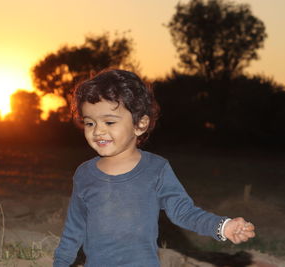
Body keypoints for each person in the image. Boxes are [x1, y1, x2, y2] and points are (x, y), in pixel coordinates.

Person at [53, 69, 255, 266]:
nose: (98, 131)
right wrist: (60, 263)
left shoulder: (156, 170)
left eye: (109, 121)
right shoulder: (85, 174)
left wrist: (223, 226)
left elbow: (184, 212)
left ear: (140, 124)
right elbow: (74, 228)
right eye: (90, 123)